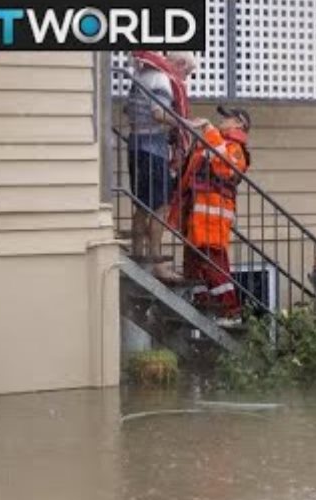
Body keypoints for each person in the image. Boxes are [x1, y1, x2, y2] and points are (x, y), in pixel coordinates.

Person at [124, 50, 206, 282]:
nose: (185, 78)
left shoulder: (142, 75)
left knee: (142, 205)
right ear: (178, 64)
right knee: (159, 207)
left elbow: (129, 110)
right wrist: (185, 124)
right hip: (152, 148)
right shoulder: (161, 79)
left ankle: (138, 252)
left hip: (135, 144)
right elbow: (159, 113)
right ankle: (156, 262)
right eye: (187, 72)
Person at [176, 106, 252, 326]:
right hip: (196, 216)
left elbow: (225, 168)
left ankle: (231, 312)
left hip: (213, 218)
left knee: (214, 265)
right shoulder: (214, 141)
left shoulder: (236, 149)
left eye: (227, 117)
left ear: (239, 124)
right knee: (193, 266)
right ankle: (201, 303)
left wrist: (209, 130)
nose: (223, 119)